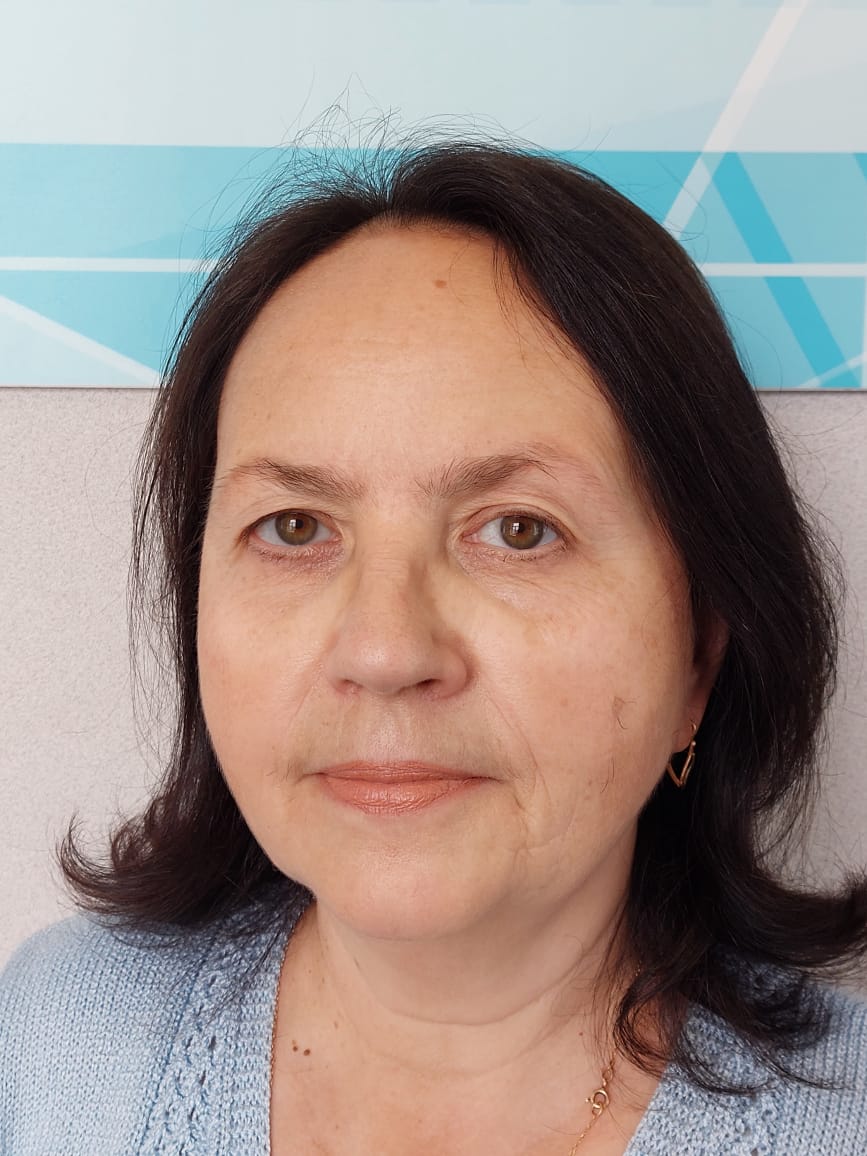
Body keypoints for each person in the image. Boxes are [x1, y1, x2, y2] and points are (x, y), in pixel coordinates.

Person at [2, 138, 867, 1156]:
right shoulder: (50, 1047)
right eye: (293, 527)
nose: (383, 650)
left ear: (697, 660)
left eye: (519, 530)